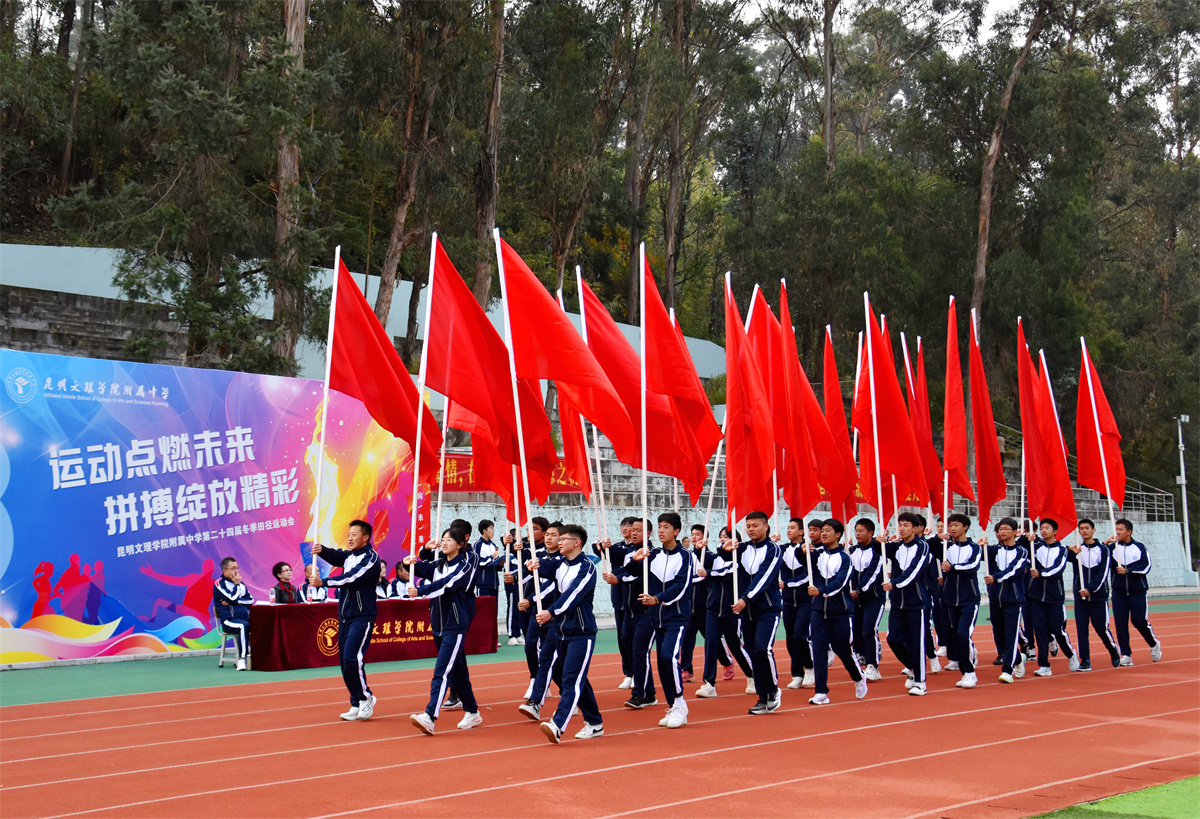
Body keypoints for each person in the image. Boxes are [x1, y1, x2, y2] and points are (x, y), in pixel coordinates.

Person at [527, 523, 605, 743]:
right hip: (561, 632)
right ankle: (595, 722)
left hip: (581, 633)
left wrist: (551, 612)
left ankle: (558, 724)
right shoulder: (560, 564)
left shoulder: (587, 568)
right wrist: (531, 564)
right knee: (575, 678)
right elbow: (542, 566)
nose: (559, 543)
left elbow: (572, 595)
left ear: (577, 542)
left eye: (563, 539)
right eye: (558, 539)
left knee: (571, 679)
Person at [406, 523, 482, 734]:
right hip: (438, 623)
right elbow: (416, 568)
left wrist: (421, 590)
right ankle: (472, 711)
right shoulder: (438, 564)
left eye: (450, 540)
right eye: (444, 539)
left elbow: (449, 583)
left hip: (455, 623)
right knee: (457, 670)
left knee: (442, 670)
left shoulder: (465, 564)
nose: (445, 543)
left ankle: (430, 716)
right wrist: (411, 559)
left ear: (460, 544)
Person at [625, 512, 693, 728]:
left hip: (677, 617)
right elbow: (632, 573)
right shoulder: (653, 554)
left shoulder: (686, 556)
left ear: (676, 531)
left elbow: (681, 586)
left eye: (666, 527)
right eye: (660, 527)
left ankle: (680, 704)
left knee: (669, 657)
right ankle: (673, 705)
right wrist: (634, 561)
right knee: (662, 663)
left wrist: (657, 599)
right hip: (657, 618)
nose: (661, 531)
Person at [310, 520, 381, 720]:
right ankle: (356, 702)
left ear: (365, 537)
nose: (350, 538)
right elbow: (336, 556)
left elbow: (351, 578)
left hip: (362, 616)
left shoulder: (370, 558)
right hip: (344, 617)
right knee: (345, 662)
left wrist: (324, 582)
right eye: (348, 535)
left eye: (354, 535)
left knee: (352, 657)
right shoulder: (350, 556)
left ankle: (366, 697)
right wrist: (322, 550)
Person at [807, 519, 868, 705]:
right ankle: (821, 692)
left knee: (843, 650)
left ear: (838, 534)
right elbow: (802, 564)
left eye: (828, 530)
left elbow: (840, 583)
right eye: (822, 530)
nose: (824, 533)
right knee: (818, 651)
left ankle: (858, 676)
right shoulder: (817, 555)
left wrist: (821, 591)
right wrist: (802, 552)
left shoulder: (845, 558)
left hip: (840, 613)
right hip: (818, 613)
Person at [731, 510, 783, 715]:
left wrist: (745, 598)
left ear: (766, 527)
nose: (751, 529)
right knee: (753, 652)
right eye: (748, 526)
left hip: (767, 609)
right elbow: (722, 561)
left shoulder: (773, 549)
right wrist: (723, 549)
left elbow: (764, 577)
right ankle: (762, 697)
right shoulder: (742, 548)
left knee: (763, 649)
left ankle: (773, 689)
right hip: (748, 612)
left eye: (755, 526)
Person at [696, 526, 756, 698]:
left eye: (727, 536)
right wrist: (698, 549)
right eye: (721, 536)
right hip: (713, 609)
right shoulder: (716, 557)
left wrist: (708, 574)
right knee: (711, 645)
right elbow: (702, 560)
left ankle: (752, 676)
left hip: (732, 610)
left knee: (735, 646)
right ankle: (709, 683)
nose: (723, 539)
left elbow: (726, 574)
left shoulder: (739, 559)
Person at [518, 522, 568, 719]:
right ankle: (565, 692)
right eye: (548, 534)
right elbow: (526, 575)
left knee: (549, 658)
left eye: (554, 535)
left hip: (553, 614)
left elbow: (550, 586)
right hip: (537, 613)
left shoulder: (563, 561)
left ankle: (536, 700)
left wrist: (530, 600)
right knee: (532, 646)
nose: (549, 538)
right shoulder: (538, 555)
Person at [605, 518, 656, 706]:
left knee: (640, 651)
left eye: (638, 530)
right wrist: (614, 575)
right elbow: (624, 569)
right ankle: (649, 693)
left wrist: (619, 579)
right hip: (629, 612)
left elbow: (640, 576)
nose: (634, 533)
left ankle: (639, 694)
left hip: (646, 611)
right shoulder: (629, 552)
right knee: (628, 645)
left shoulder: (652, 553)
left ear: (648, 533)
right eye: (632, 529)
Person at [884, 512, 930, 696]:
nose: (902, 529)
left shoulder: (922, 547)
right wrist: (881, 540)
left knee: (916, 642)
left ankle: (920, 681)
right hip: (897, 602)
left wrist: (895, 583)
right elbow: (877, 550)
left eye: (906, 525)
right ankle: (912, 666)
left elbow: (914, 571)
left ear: (915, 528)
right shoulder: (896, 547)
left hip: (915, 602)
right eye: (900, 525)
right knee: (893, 639)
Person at [1066, 519, 1121, 670]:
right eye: (1081, 529)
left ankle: (1113, 650)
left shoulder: (1103, 550)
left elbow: (1102, 574)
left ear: (1093, 530)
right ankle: (1085, 660)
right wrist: (1069, 549)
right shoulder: (1077, 550)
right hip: (1080, 597)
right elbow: (1059, 554)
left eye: (1087, 528)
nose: (1084, 531)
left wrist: (1090, 589)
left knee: (1101, 628)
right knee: (1081, 629)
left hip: (1098, 597)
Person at [1027, 519, 1079, 676]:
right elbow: (1022, 550)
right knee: (1040, 631)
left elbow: (1058, 569)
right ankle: (1044, 665)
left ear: (1055, 531)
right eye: (1042, 528)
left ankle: (1070, 654)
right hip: (1036, 597)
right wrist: (1026, 538)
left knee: (1058, 630)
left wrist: (1041, 573)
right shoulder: (1035, 546)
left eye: (1047, 528)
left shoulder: (1062, 549)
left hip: (1054, 597)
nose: (1043, 531)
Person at [1108, 518, 1162, 666]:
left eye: (1121, 530)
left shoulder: (1139, 547)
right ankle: (1126, 654)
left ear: (1129, 532)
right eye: (1116, 530)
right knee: (1120, 623)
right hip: (1118, 592)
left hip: (1137, 592)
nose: (1118, 532)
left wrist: (1128, 570)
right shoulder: (1112, 548)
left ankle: (1153, 643)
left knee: (1139, 621)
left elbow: (1146, 566)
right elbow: (1099, 556)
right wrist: (1106, 543)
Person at [681, 523, 730, 682]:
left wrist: (700, 550)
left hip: (705, 608)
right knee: (686, 640)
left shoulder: (711, 556)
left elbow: (709, 570)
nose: (694, 537)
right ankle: (687, 670)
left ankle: (726, 662)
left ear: (705, 537)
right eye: (693, 534)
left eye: (698, 534)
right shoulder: (687, 555)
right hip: (690, 608)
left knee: (712, 641)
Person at [984, 518, 1030, 683]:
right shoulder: (994, 550)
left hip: (1013, 600)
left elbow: (1014, 570)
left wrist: (996, 577)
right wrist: (980, 546)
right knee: (1000, 636)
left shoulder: (1022, 552)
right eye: (1000, 529)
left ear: (1015, 532)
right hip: (995, 599)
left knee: (1011, 636)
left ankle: (1007, 670)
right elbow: (976, 554)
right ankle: (1018, 658)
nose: (1002, 532)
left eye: (1006, 529)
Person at [939, 513, 982, 689]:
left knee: (963, 634)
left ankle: (970, 672)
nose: (952, 528)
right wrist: (937, 537)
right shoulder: (946, 546)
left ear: (965, 527)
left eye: (956, 525)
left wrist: (953, 567)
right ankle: (965, 670)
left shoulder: (974, 547)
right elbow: (927, 547)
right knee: (956, 636)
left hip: (969, 599)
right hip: (950, 599)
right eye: (950, 525)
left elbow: (972, 566)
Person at [596, 517, 637, 689]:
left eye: (630, 526)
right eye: (623, 526)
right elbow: (601, 551)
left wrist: (608, 548)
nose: (626, 529)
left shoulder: (637, 550)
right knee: (622, 638)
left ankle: (638, 672)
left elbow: (620, 558)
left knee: (634, 639)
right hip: (619, 598)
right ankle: (629, 673)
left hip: (634, 600)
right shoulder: (618, 547)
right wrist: (601, 545)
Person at [779, 517, 815, 689]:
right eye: (788, 527)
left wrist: (787, 584)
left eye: (792, 527)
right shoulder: (782, 549)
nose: (788, 530)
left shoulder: (808, 550)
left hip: (805, 601)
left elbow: (808, 576)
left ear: (801, 532)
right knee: (790, 639)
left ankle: (810, 666)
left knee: (800, 636)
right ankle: (797, 674)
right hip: (787, 601)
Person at [849, 518, 885, 682]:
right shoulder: (852, 551)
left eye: (861, 531)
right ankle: (861, 654)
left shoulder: (878, 551)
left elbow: (872, 573)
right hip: (856, 599)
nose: (858, 534)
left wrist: (859, 589)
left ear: (871, 533)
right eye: (856, 531)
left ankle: (873, 666)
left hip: (874, 598)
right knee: (856, 630)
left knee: (868, 629)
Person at [213, 556, 253, 670]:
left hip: (244, 618)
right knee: (243, 626)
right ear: (225, 571)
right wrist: (236, 586)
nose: (236, 571)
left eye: (237, 568)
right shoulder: (219, 584)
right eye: (233, 568)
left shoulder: (241, 584)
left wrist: (235, 601)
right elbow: (232, 598)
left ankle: (259, 657)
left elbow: (250, 600)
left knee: (261, 623)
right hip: (229, 620)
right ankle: (242, 659)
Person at [503, 528, 524, 646]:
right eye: (518, 534)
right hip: (511, 583)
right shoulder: (508, 550)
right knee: (512, 608)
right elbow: (509, 568)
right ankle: (511, 635)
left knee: (519, 608)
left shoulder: (521, 550)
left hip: (520, 583)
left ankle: (517, 633)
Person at [474, 519, 504, 599]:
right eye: (491, 529)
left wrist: (500, 563)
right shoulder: (478, 544)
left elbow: (496, 564)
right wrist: (491, 557)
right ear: (484, 531)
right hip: (483, 583)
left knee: (494, 606)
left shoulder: (493, 545)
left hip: (494, 584)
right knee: (483, 605)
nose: (493, 531)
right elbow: (476, 562)